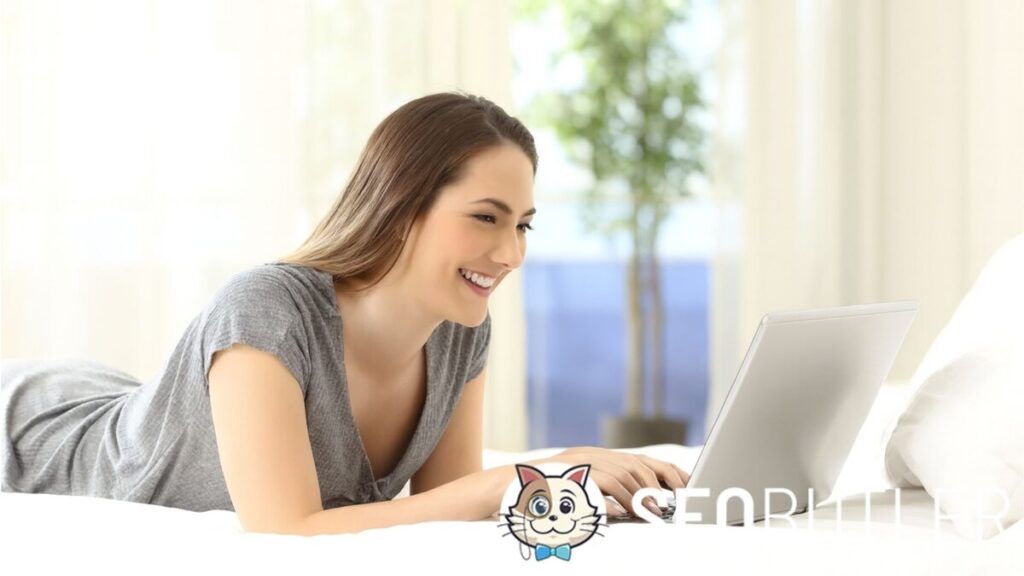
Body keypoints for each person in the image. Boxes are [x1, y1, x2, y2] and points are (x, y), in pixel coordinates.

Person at [1, 91, 688, 536]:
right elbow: (286, 529)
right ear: (400, 208)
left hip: (116, 397)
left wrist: (576, 484)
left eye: (524, 226)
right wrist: (526, 473)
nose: (510, 254)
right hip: (34, 432)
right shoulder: (266, 310)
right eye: (486, 217)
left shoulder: (462, 330)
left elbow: (452, 503)